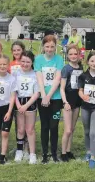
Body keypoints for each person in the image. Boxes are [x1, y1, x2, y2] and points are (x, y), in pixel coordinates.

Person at [34, 35, 64, 164]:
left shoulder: (59, 59)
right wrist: (43, 95)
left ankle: (54, 152)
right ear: (43, 47)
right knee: (44, 126)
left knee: (54, 126)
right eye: (47, 46)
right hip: (42, 98)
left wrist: (49, 96)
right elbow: (39, 78)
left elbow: (57, 79)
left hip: (56, 98)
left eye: (52, 46)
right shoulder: (38, 59)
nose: (50, 49)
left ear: (55, 47)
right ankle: (45, 153)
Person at [0, 55, 17, 164]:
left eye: (4, 64)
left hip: (6, 108)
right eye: (0, 64)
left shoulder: (11, 79)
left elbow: (12, 96)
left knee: (5, 133)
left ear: (8, 65)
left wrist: (9, 111)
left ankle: (3, 155)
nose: (2, 66)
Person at [14, 51, 39, 164]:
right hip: (19, 103)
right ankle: (19, 151)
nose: (25, 64)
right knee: (20, 129)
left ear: (32, 62)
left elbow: (37, 93)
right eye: (23, 61)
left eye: (27, 62)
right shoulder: (15, 73)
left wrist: (26, 105)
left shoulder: (35, 74)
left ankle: (32, 153)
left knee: (30, 129)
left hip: (30, 103)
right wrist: (19, 105)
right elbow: (13, 91)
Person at [60, 45, 83, 162]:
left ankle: (68, 151)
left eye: (75, 54)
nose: (73, 56)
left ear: (79, 55)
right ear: (67, 56)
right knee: (67, 129)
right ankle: (63, 152)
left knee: (72, 129)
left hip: (77, 101)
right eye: (71, 54)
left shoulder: (81, 67)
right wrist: (65, 102)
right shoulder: (66, 69)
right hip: (68, 101)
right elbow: (62, 88)